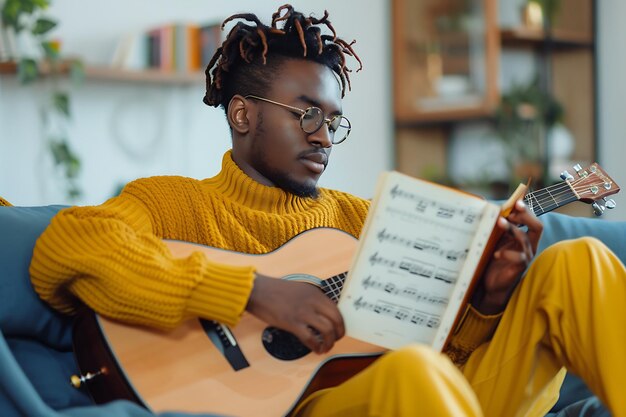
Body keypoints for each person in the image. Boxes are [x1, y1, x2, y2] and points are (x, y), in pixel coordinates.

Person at [30, 5, 626, 417]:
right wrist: (250, 292)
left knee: (579, 263)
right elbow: (66, 248)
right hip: (319, 403)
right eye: (305, 112)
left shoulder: (363, 220)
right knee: (413, 375)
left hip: (439, 396)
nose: (322, 136)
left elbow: (453, 366)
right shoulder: (176, 202)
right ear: (242, 114)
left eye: (333, 120)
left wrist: (485, 304)